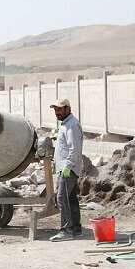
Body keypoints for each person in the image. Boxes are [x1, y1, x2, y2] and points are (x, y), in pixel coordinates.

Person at [49, 99, 83, 242]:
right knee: (70, 198)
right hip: (66, 167)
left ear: (68, 109)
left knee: (62, 198)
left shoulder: (71, 125)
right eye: (56, 110)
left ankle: (66, 230)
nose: (57, 112)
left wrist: (67, 167)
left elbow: (74, 149)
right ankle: (75, 228)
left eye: (60, 109)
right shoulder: (66, 124)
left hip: (68, 168)